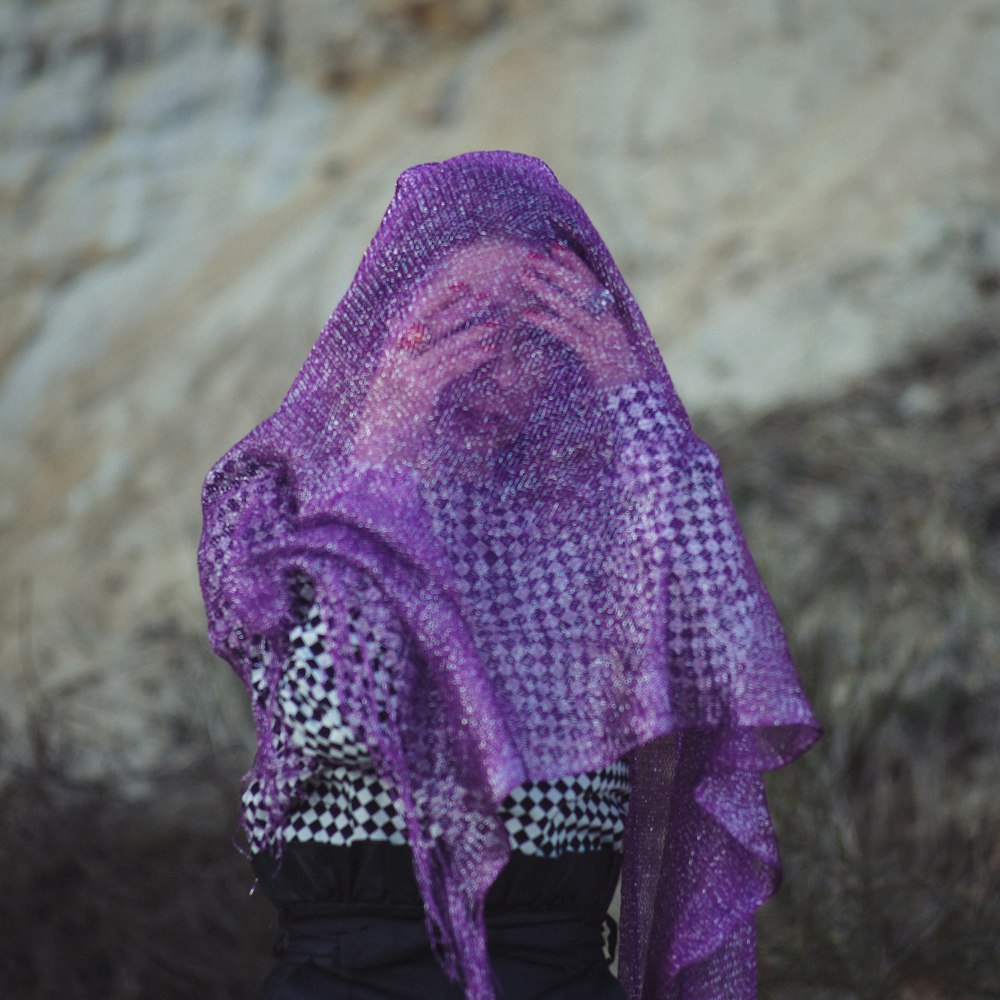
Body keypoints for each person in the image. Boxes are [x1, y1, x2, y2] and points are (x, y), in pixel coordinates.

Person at [198, 151, 820, 1000]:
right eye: (458, 324)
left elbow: (729, 663)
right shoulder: (286, 496)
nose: (490, 362)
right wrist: (385, 464)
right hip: (353, 971)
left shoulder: (598, 516)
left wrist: (634, 399)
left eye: (531, 333)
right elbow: (340, 716)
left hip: (558, 967)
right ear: (390, 328)